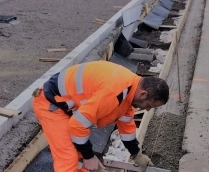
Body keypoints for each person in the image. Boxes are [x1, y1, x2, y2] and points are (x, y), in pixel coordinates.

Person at [32, 60, 169, 172]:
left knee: (80, 157)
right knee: (68, 159)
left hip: (68, 106)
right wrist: (89, 156)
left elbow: (127, 127)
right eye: (149, 105)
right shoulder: (113, 92)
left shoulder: (129, 91)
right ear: (143, 94)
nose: (147, 109)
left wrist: (136, 154)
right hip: (51, 104)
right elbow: (77, 125)